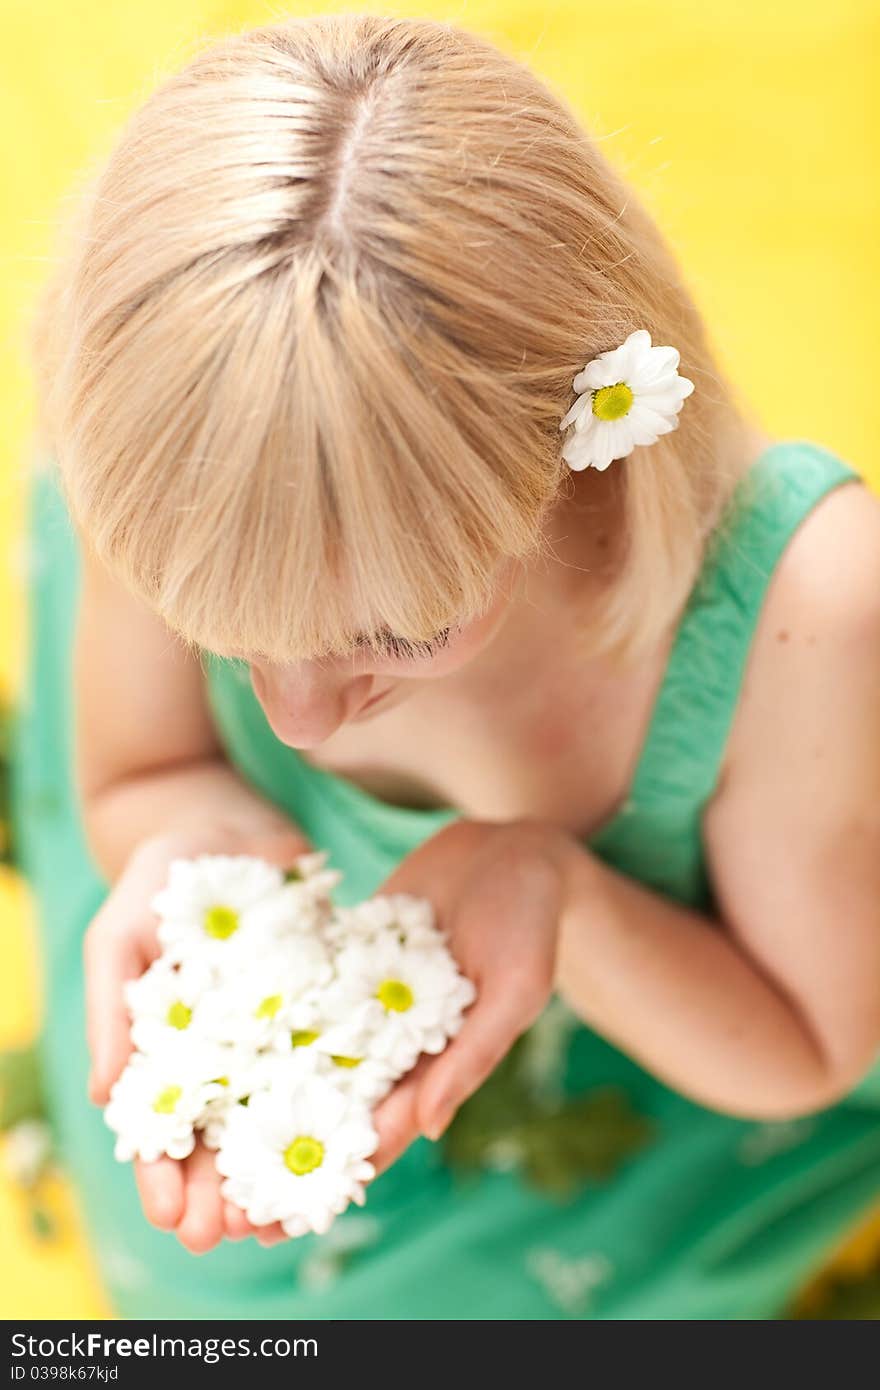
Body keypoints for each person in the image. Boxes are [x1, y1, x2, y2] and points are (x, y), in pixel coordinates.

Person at [11, 13, 880, 1319]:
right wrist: (197, 835)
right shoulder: (177, 441)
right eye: (228, 636)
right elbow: (145, 763)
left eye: (394, 637)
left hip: (665, 1039)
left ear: (578, 449)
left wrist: (559, 893)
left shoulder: (804, 615)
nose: (298, 721)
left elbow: (810, 1043)